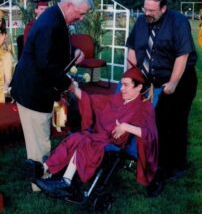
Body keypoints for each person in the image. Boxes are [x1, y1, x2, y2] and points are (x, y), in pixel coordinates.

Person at [25, 66, 158, 197]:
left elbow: (149, 134)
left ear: (139, 87)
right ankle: (43, 168)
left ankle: (66, 182)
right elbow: (94, 101)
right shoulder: (119, 98)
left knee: (85, 142)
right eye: (121, 84)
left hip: (113, 142)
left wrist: (126, 127)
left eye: (126, 85)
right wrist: (73, 88)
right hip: (100, 135)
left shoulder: (144, 107)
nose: (121, 88)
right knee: (75, 137)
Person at [10, 0, 94, 191]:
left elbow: (53, 49)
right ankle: (42, 183)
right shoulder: (51, 23)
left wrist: (74, 51)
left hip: (35, 88)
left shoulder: (56, 17)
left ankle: (41, 175)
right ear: (68, 5)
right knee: (40, 141)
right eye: (80, 13)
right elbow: (46, 64)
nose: (81, 18)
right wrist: (70, 85)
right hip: (33, 92)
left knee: (38, 138)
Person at [126, 0, 197, 184]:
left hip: (179, 79)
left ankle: (176, 166)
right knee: (153, 120)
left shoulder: (178, 22)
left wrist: (173, 83)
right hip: (152, 80)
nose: (147, 13)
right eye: (145, 8)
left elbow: (182, 56)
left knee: (175, 123)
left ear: (164, 8)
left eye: (152, 10)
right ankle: (154, 159)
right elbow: (132, 48)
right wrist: (134, 76)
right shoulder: (142, 21)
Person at [0, 9, 15, 102]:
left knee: (7, 57)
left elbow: (10, 50)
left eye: (0, 20)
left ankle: (6, 87)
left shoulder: (6, 34)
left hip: (4, 57)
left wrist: (3, 44)